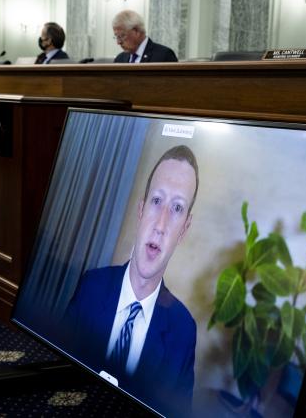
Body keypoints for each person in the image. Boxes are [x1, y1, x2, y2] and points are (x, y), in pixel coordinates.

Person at [64, 145, 198, 417]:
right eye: (157, 201)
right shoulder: (91, 286)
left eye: (177, 208)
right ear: (141, 209)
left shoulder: (184, 332)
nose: (160, 225)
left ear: (184, 229)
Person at [112, 10, 178, 63]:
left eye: (121, 36)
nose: (118, 42)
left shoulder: (164, 55)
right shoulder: (119, 59)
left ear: (136, 31)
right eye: (117, 37)